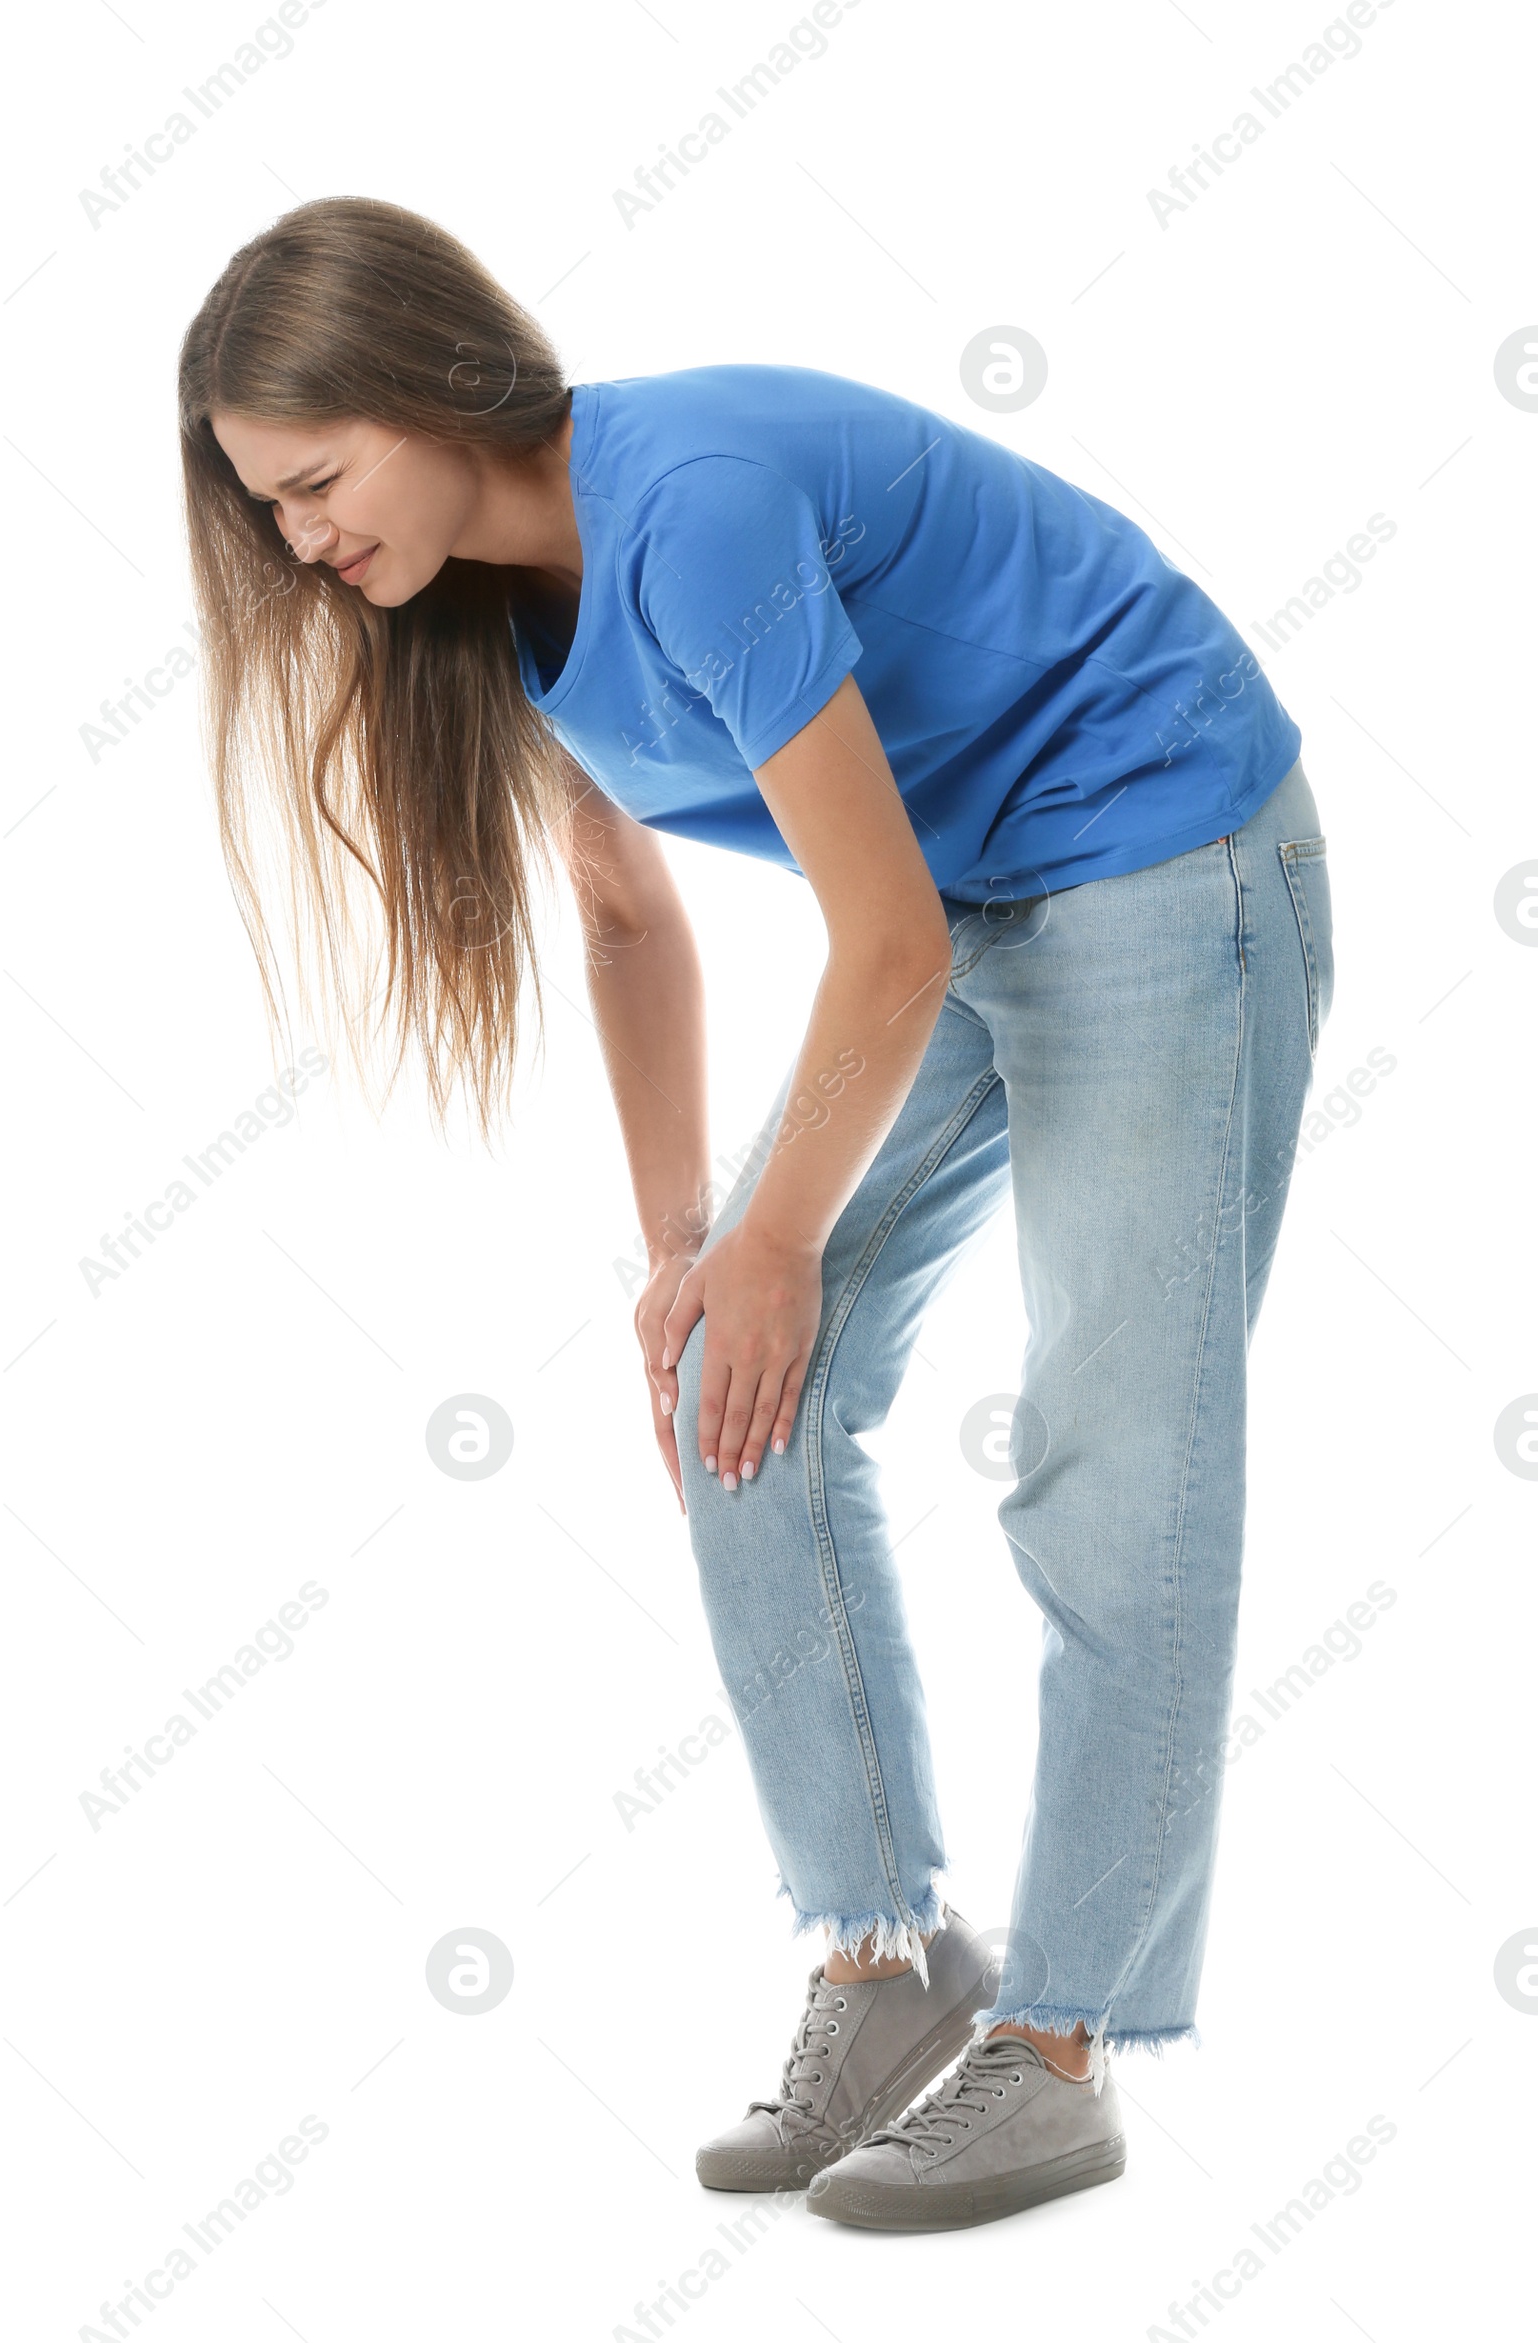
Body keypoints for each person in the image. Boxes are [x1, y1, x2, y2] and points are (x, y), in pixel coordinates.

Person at [179, 195, 1334, 2234]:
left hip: (1160, 840)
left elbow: (873, 941)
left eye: (314, 482)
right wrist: (682, 1254)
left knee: (1110, 1453)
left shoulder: (686, 508)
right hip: (970, 901)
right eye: (266, 510)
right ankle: (876, 1967)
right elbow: (630, 919)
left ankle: (1059, 2044)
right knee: (734, 1372)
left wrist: (777, 1234)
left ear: (433, 384)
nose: (301, 546)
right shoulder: (485, 607)